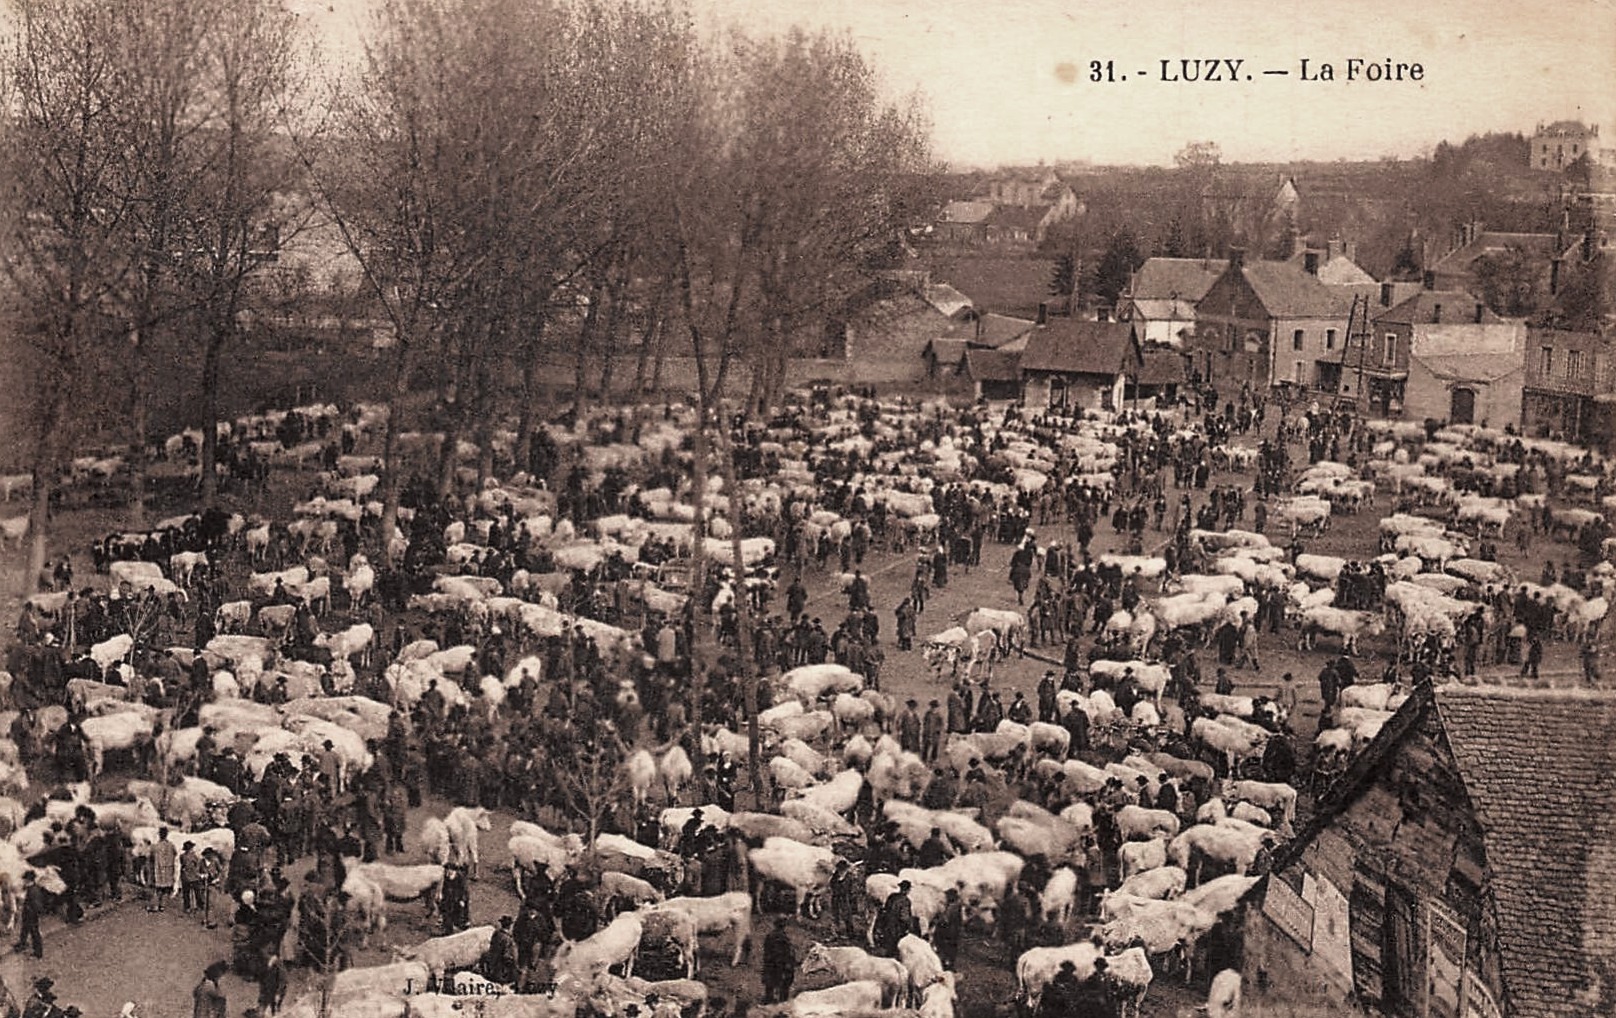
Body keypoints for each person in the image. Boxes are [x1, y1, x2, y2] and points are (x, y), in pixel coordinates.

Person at [760, 919, 796, 1005]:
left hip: (771, 963)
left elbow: (766, 950)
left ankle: (769, 999)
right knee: (783, 984)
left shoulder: (770, 936)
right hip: (780, 963)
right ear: (784, 926)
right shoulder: (784, 938)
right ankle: (781, 1001)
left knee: (770, 983)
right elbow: (788, 952)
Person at [13, 872, 44, 959]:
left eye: (25, 880)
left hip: (31, 916)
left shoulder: (34, 891)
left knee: (34, 933)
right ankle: (22, 943)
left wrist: (30, 912)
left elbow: (37, 906)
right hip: (27, 914)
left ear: (28, 880)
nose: (23, 881)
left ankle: (38, 953)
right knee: (24, 929)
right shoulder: (30, 888)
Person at [483, 916, 520, 986]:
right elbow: (507, 955)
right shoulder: (507, 938)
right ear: (509, 926)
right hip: (503, 968)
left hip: (494, 964)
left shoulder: (496, 934)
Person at [150, 828, 179, 910]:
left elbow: (151, 857)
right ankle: (162, 905)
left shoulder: (156, 846)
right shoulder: (171, 845)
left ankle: (155, 905)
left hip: (158, 869)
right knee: (166, 888)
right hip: (168, 869)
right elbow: (175, 853)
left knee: (158, 888)